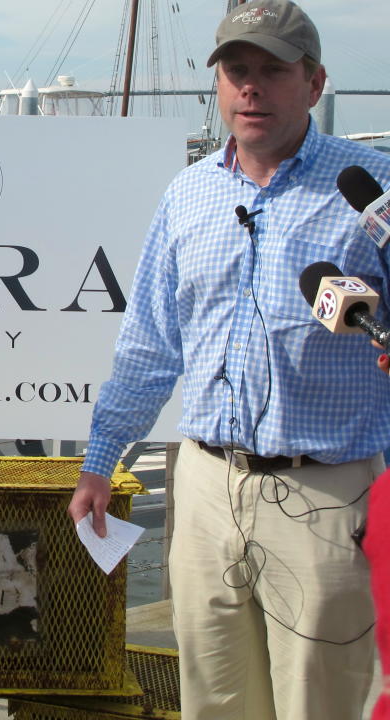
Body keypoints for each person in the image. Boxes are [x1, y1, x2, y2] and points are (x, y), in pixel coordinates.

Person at [67, 1, 390, 718]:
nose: (252, 88)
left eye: (273, 71)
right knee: (212, 700)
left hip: (330, 497)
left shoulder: (371, 190)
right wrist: (100, 459)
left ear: (314, 83)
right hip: (206, 488)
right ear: (216, 85)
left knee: (321, 704)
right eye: (237, 71)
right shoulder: (188, 195)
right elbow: (149, 344)